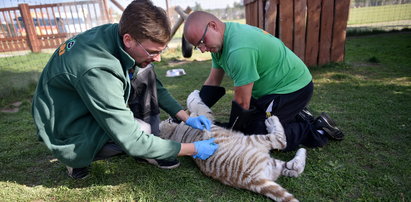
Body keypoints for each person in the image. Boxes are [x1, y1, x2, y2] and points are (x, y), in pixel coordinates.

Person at [31, 0, 218, 180]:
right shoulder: (97, 69)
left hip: (82, 101)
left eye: (162, 50)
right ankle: (75, 155)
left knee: (146, 70)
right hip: (66, 126)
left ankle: (152, 146)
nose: (159, 58)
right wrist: (193, 149)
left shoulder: (117, 34)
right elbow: (131, 140)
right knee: (140, 131)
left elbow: (154, 86)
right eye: (153, 52)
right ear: (128, 40)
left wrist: (187, 118)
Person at [183, 11, 344, 151]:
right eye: (198, 46)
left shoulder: (239, 49)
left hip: (292, 89)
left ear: (213, 26)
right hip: (268, 89)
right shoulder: (220, 42)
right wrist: (190, 114)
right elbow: (213, 82)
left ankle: (316, 129)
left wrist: (231, 137)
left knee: (257, 135)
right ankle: (297, 115)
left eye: (202, 42)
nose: (203, 49)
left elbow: (241, 102)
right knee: (245, 125)